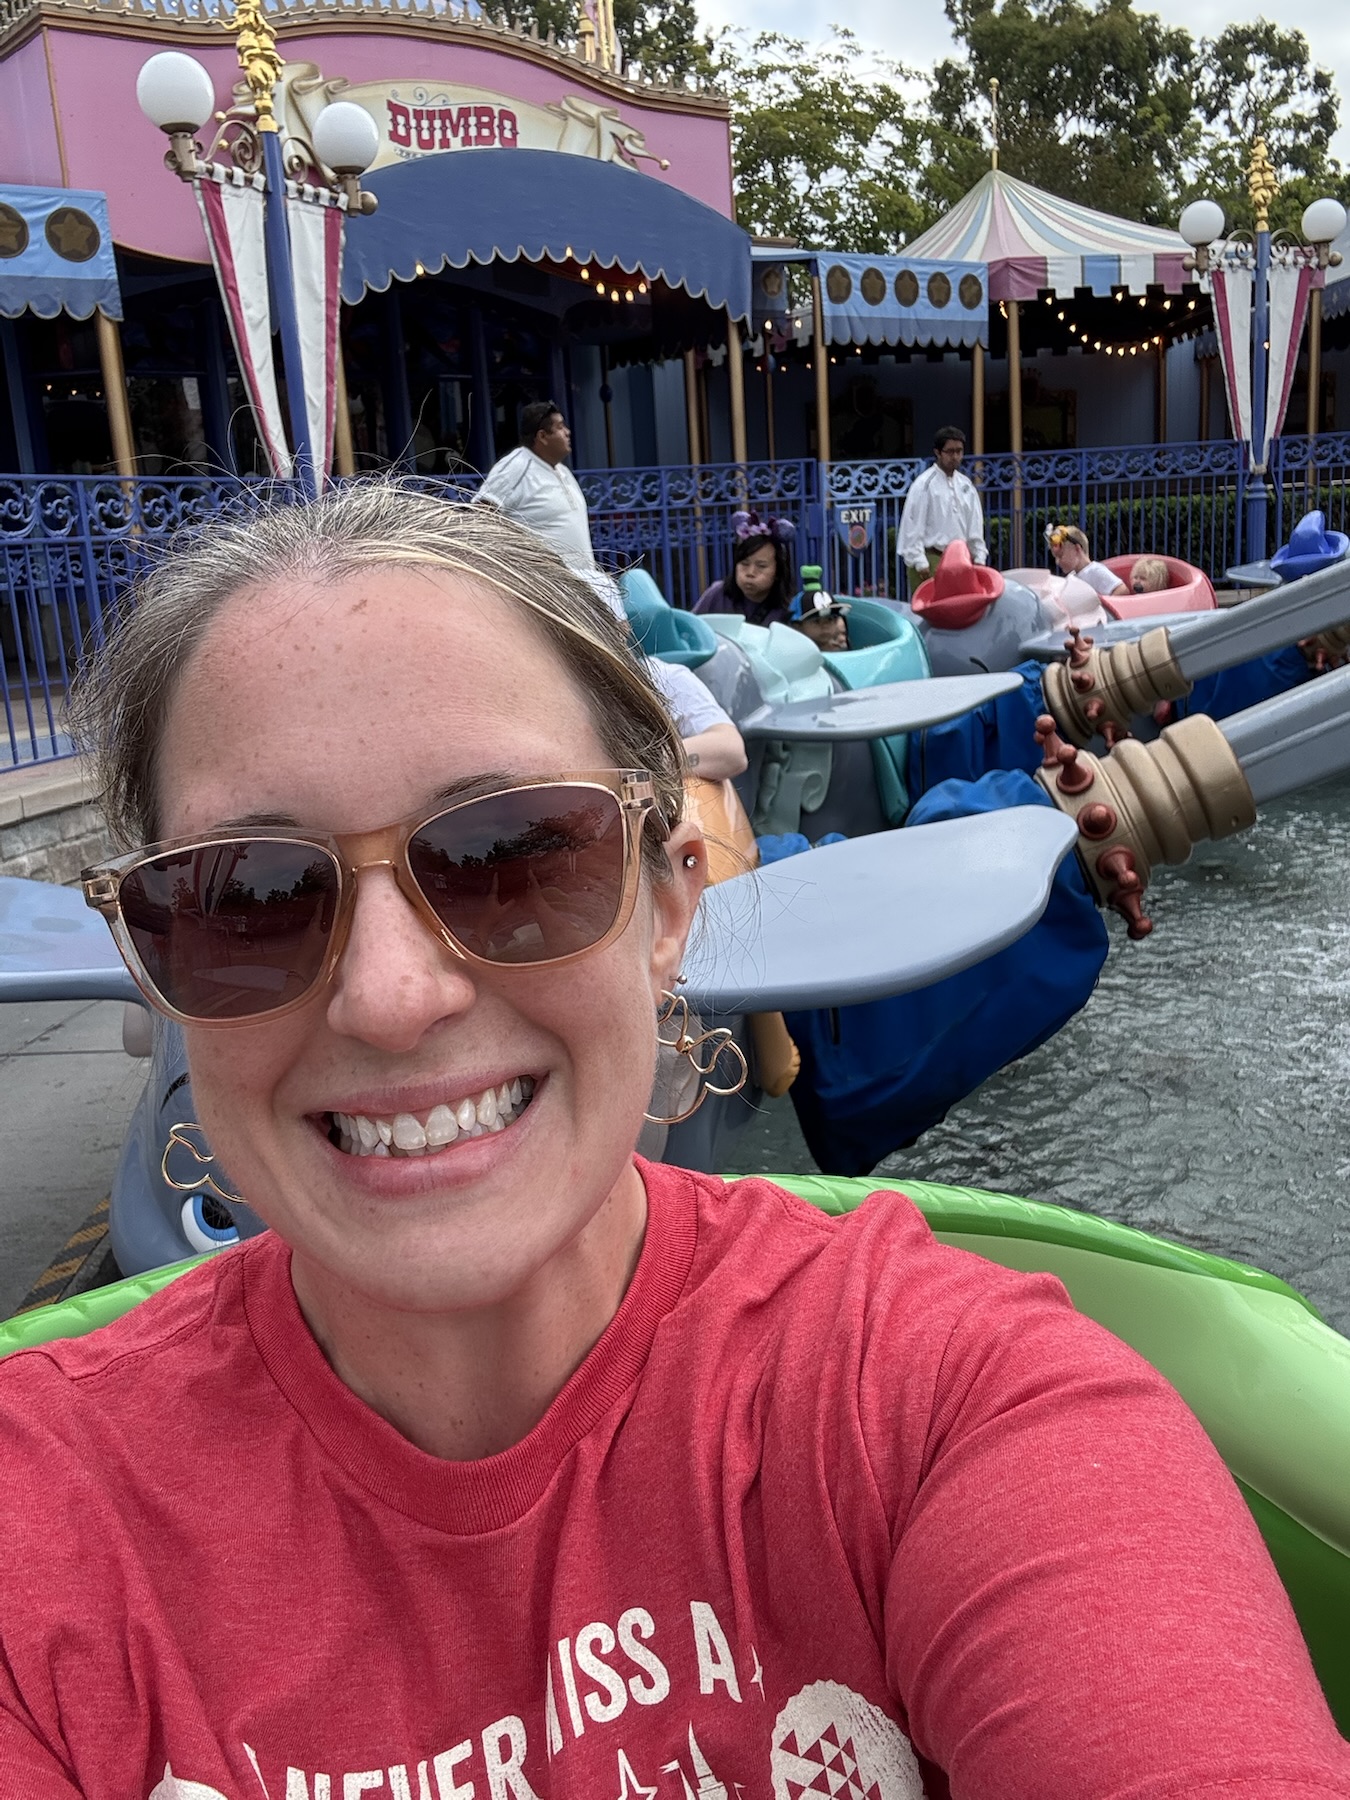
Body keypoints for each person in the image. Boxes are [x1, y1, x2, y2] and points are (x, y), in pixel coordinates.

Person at [5, 482, 1348, 1797]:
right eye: (249, 896)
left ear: (663, 904)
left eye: (513, 854)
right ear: (151, 957)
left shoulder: (933, 1401)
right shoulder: (41, 1530)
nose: (392, 998)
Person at [474, 398, 597, 576]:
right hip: (545, 587)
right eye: (560, 427)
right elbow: (480, 518)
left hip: (581, 586)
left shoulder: (563, 471)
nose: (567, 432)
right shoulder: (516, 467)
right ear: (542, 436)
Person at [897, 426, 988, 595]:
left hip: (961, 561)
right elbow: (912, 525)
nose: (955, 457)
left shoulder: (966, 485)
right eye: (950, 451)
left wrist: (979, 557)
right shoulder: (924, 484)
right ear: (938, 452)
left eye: (959, 451)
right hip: (931, 558)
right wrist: (919, 561)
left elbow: (975, 526)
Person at [694, 510, 795, 625]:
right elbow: (690, 629)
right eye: (744, 564)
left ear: (778, 572)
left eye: (761, 566)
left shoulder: (790, 609)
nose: (750, 573)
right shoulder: (716, 595)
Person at [1046, 523, 1128, 599]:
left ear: (1077, 549)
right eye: (1056, 557)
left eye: (1060, 556)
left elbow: (1122, 590)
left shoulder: (1095, 571)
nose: (1057, 562)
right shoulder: (1071, 576)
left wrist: (1103, 609)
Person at [790, 588, 850, 653]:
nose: (825, 625)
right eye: (817, 621)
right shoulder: (793, 654)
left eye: (830, 619)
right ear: (797, 627)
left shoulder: (842, 651)